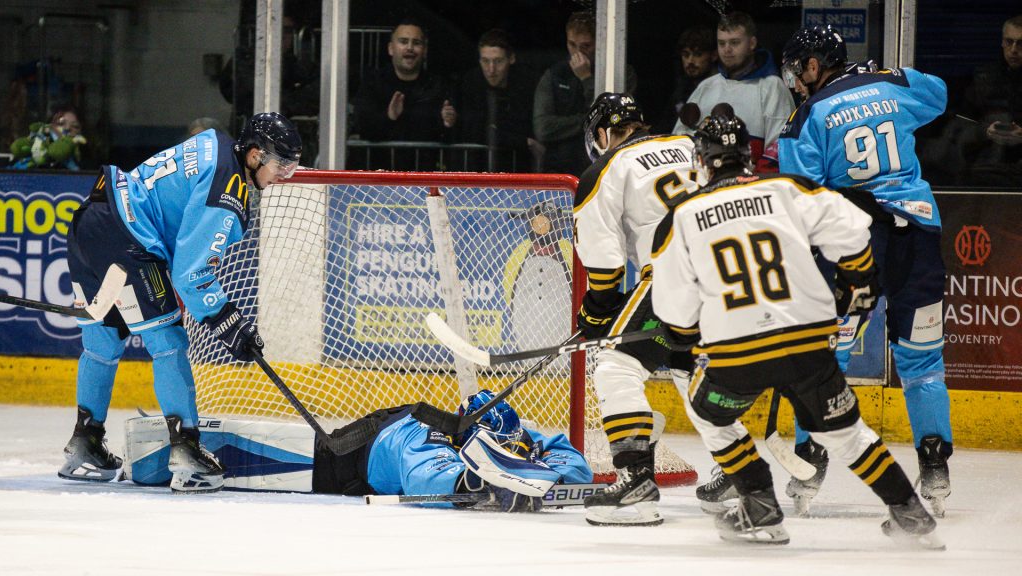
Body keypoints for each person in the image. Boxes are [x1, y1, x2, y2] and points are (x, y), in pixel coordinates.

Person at [650, 112, 942, 548]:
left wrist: (687, 342)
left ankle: (761, 507)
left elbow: (675, 313)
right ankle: (911, 514)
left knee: (709, 415)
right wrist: (858, 279)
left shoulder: (681, 217)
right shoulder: (788, 189)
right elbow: (851, 229)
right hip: (809, 345)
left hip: (737, 358)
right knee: (844, 434)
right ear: (745, 156)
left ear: (703, 161)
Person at [58, 112, 302, 494]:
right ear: (254, 155)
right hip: (129, 237)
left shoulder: (216, 142)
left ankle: (84, 444)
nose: (282, 177)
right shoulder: (228, 188)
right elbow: (191, 276)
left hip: (92, 219)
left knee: (101, 344)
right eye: (280, 165)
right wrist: (228, 320)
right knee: (169, 343)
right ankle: (187, 452)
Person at [772, 25, 953, 519]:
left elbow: (800, 198)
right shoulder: (890, 84)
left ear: (814, 64)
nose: (794, 80)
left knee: (826, 358)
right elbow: (938, 96)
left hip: (853, 245)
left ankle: (810, 460)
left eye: (797, 69)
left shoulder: (806, 117)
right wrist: (884, 79)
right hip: (918, 237)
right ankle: (936, 465)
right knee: (922, 363)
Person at [573, 92, 699, 526]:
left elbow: (606, 274)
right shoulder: (687, 145)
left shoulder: (605, 169)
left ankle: (635, 481)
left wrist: (592, 318)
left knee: (614, 364)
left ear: (603, 134)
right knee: (691, 366)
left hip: (673, 275)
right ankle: (738, 477)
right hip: (727, 279)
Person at [314, 390, 593, 509]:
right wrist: (475, 484)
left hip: (398, 432)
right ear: (470, 437)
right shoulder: (430, 437)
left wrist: (551, 478)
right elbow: (423, 478)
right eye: (500, 446)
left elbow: (570, 458)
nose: (509, 449)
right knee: (332, 461)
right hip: (347, 457)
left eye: (509, 444)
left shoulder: (508, 433)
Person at [671, 12, 794, 172]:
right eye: (722, 43)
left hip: (750, 188)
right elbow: (678, 143)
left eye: (734, 43)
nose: (727, 50)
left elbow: (780, 150)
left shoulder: (773, 88)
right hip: (703, 187)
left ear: (752, 43)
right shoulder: (706, 87)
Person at [533, 11, 637, 176]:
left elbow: (612, 123)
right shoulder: (554, 74)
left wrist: (586, 79)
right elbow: (543, 128)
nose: (578, 53)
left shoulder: (620, 73)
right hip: (559, 169)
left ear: (599, 43)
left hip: (601, 169)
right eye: (572, 44)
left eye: (586, 46)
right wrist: (586, 121)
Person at [351, 20, 456, 169]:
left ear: (425, 51)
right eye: (403, 41)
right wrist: (389, 117)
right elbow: (362, 127)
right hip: (379, 180)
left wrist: (448, 124)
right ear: (390, 48)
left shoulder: (437, 86)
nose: (410, 48)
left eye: (416, 43)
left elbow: (448, 138)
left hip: (423, 179)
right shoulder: (373, 83)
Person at [455, 29, 541, 172]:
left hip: (518, 171)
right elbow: (474, 131)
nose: (491, 69)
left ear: (511, 58)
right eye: (485, 61)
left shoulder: (527, 85)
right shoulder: (470, 84)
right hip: (477, 170)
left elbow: (524, 127)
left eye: (498, 61)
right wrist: (522, 141)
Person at [958, 14, 1022, 186]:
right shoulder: (985, 79)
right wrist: (985, 132)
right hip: (988, 169)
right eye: (1009, 42)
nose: (1014, 50)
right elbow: (962, 127)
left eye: (1020, 43)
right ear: (1002, 42)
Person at [652, 27, 717, 134]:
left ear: (714, 55)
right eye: (686, 55)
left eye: (698, 54)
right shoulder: (681, 89)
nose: (690, 61)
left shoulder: (721, 86)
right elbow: (665, 125)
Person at [9, 107, 86, 170]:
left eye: (75, 126)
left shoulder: (87, 163)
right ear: (50, 126)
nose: (67, 128)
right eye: (61, 123)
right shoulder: (33, 150)